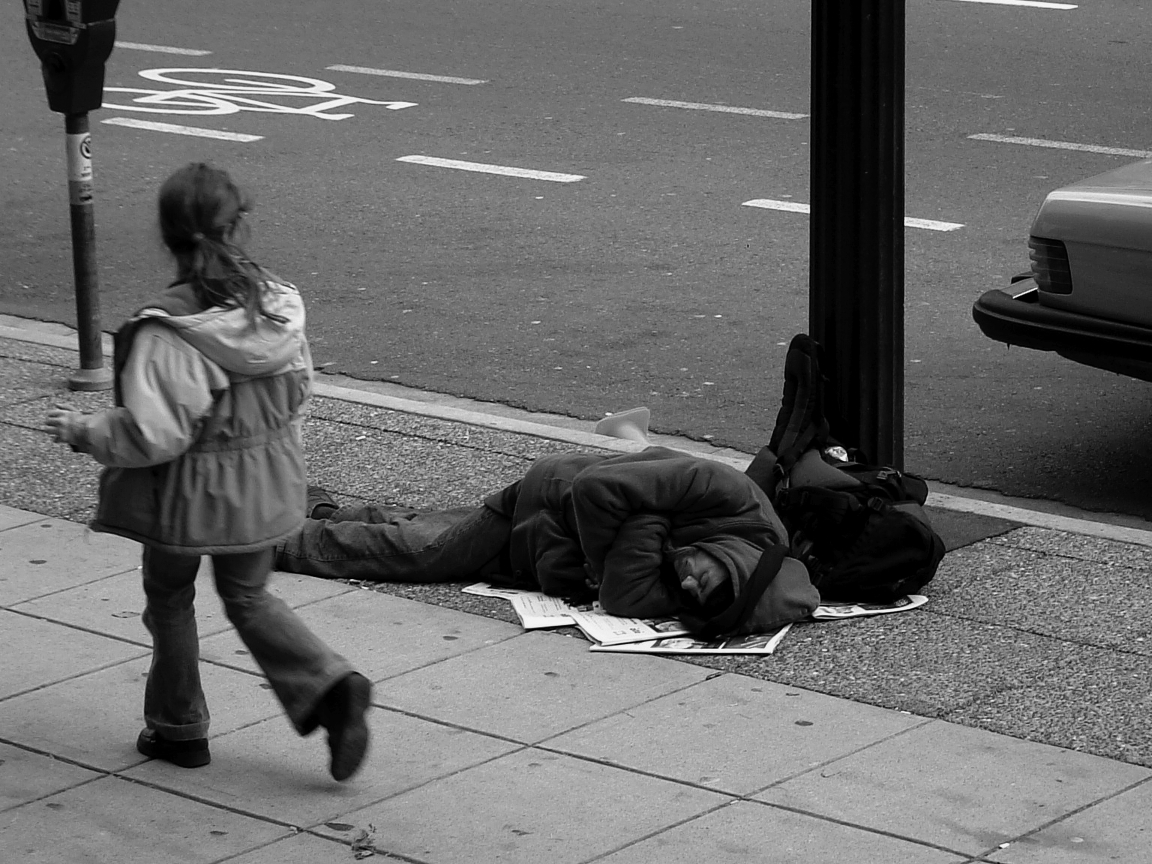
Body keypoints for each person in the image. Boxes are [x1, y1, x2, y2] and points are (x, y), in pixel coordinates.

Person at [43, 163, 371, 782]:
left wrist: (85, 431)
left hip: (187, 497)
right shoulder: (276, 304)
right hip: (268, 480)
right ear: (238, 224)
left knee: (170, 598)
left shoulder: (170, 328)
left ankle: (179, 728)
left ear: (167, 237)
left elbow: (152, 435)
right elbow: (300, 392)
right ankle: (331, 685)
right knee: (248, 594)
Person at [275, 446, 820, 635]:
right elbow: (597, 486)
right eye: (705, 577)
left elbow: (623, 598)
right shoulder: (731, 495)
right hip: (546, 498)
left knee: (421, 525)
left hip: (544, 544)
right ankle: (272, 542)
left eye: (692, 598)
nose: (685, 581)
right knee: (423, 554)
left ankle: (311, 505)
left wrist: (643, 522)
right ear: (742, 563)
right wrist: (643, 526)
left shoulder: (700, 584)